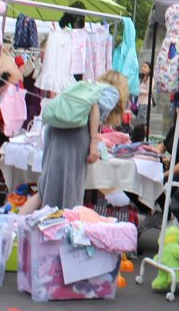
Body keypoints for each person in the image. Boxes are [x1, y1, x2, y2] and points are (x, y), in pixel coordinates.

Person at [19, 71, 130, 213]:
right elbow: (94, 107)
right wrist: (94, 143)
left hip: (54, 131)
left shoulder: (87, 87)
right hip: (74, 136)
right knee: (70, 189)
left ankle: (17, 225)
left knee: (46, 187)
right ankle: (64, 228)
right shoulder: (111, 92)